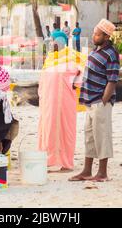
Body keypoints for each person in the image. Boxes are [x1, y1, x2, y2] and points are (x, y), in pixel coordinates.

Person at [69, 19, 120, 182]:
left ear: (106, 36)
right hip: (89, 101)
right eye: (94, 33)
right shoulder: (96, 51)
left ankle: (102, 172)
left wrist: (104, 99)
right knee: (90, 136)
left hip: (100, 101)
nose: (94, 36)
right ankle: (86, 170)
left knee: (102, 136)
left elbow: (112, 79)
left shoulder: (111, 53)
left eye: (97, 34)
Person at [38, 40, 86, 172]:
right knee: (48, 131)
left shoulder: (74, 61)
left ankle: (66, 163)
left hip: (66, 103)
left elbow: (79, 82)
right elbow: (41, 84)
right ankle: (48, 161)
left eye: (56, 44)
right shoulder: (48, 61)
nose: (54, 47)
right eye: (52, 44)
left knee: (66, 132)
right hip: (48, 105)